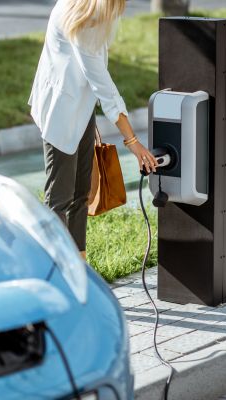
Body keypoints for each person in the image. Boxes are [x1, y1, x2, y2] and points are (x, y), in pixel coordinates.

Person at [28, 0, 157, 261]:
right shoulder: (82, 19)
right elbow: (103, 84)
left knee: (80, 193)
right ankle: (55, 271)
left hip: (81, 106)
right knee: (59, 199)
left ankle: (80, 264)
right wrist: (132, 141)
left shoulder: (97, 10)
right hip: (60, 111)